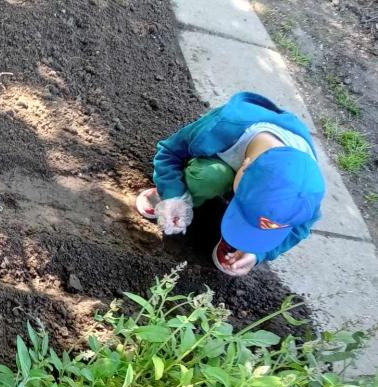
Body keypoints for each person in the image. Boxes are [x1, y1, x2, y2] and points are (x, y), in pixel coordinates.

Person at [136, 91, 325, 276]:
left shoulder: (306, 193)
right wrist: (172, 192)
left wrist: (257, 252)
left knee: (253, 216)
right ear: (244, 167)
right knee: (210, 177)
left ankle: (241, 228)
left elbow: (300, 228)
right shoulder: (221, 127)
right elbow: (169, 152)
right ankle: (175, 195)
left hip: (256, 191)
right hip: (217, 162)